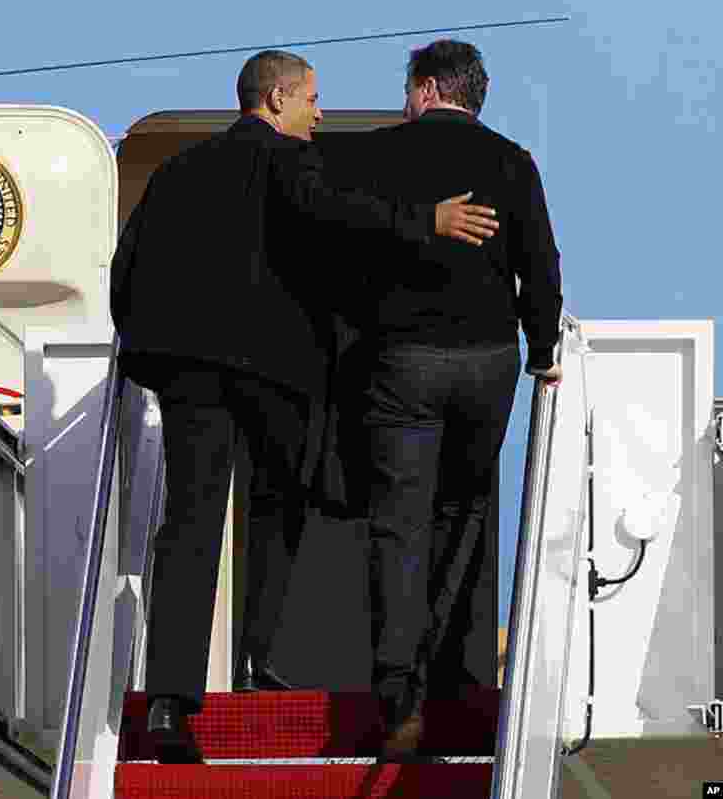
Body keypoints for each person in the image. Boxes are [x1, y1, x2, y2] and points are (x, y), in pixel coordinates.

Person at [109, 48, 499, 764]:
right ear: (277, 99)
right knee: (276, 510)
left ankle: (169, 701)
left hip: (187, 372)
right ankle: (257, 664)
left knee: (190, 523)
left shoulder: (174, 173)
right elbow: (345, 218)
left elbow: (125, 269)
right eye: (313, 98)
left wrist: (147, 343)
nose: (319, 112)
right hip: (272, 374)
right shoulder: (294, 164)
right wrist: (428, 222)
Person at [338, 39, 563, 762]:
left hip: (403, 361)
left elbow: (338, 244)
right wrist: (545, 349)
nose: (405, 102)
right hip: (490, 363)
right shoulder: (513, 161)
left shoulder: (375, 157)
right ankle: (456, 678)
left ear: (429, 88)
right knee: (465, 512)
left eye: (408, 89)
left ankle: (401, 697)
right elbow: (541, 263)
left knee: (397, 527)